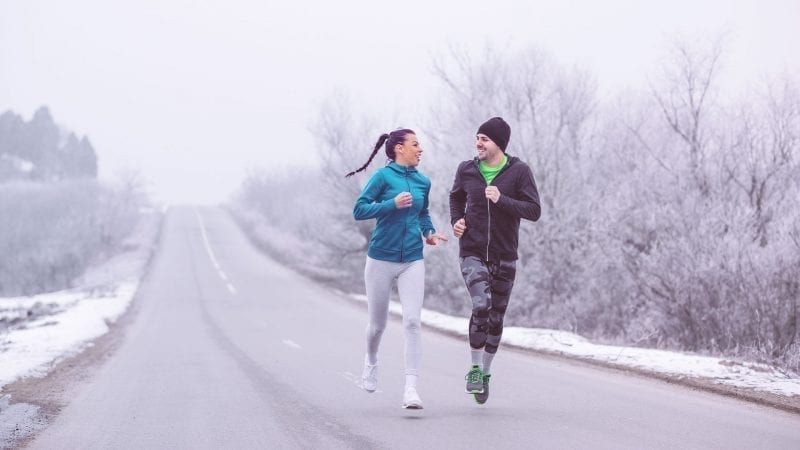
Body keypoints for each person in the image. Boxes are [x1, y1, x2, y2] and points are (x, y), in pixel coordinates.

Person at [347, 128, 448, 409]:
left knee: (413, 322)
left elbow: (422, 213)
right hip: (380, 258)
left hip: (412, 259)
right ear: (399, 149)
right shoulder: (382, 177)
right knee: (377, 325)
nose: (420, 149)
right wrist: (391, 204)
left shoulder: (422, 182)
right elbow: (360, 210)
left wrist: (429, 232)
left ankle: (411, 389)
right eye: (415, 144)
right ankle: (370, 360)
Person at [449, 117, 541, 405]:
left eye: (484, 139)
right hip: (472, 250)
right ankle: (474, 370)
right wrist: (457, 221)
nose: (478, 142)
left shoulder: (519, 172)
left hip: (505, 255)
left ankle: (486, 374)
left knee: (497, 317)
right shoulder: (466, 170)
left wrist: (502, 199)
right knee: (481, 304)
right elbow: (455, 198)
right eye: (477, 137)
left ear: (498, 144)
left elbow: (534, 210)